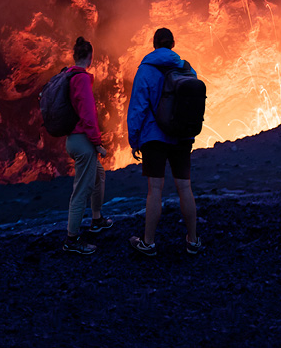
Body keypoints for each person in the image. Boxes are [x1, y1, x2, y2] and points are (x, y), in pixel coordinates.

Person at [126, 27, 202, 256]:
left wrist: (134, 140)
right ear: (173, 45)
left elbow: (138, 108)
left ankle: (148, 243)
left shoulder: (146, 71)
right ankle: (193, 240)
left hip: (154, 138)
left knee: (155, 190)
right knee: (185, 187)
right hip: (181, 136)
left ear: (154, 44)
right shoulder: (187, 69)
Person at [62, 36, 114, 255]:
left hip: (73, 138)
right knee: (81, 190)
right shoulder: (81, 79)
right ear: (90, 58)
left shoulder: (68, 75)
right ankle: (72, 239)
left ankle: (96, 219)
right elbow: (88, 115)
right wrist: (97, 143)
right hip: (83, 141)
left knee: (99, 175)